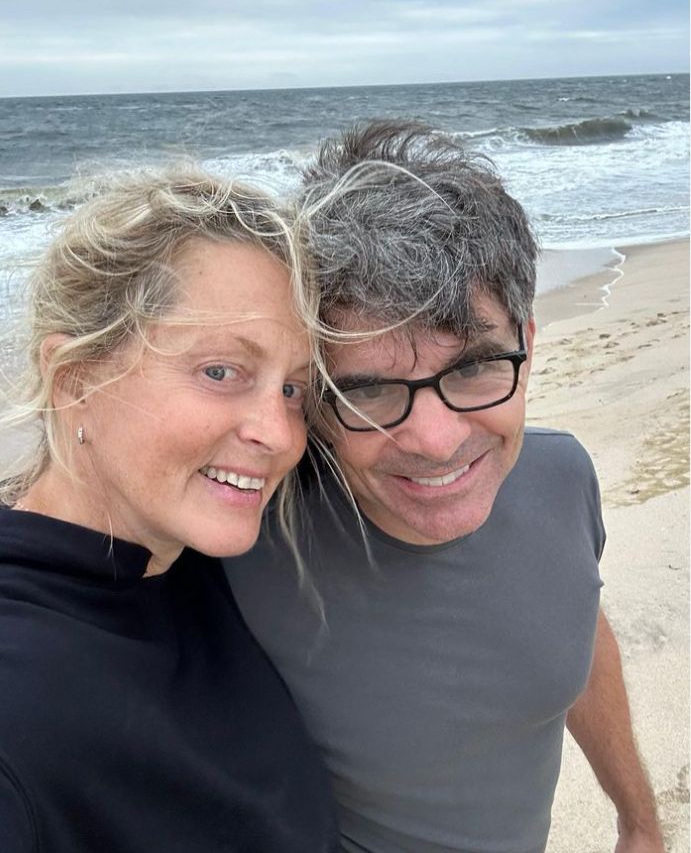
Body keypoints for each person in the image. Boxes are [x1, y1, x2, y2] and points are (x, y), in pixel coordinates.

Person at [226, 122, 664, 853]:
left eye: (472, 368)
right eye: (365, 390)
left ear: (527, 341)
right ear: (312, 395)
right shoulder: (247, 534)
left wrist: (638, 821)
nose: (433, 439)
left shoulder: (561, 477)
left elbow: (577, 627)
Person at [0, 170, 337, 851]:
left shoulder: (187, 556)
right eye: (221, 371)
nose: (277, 434)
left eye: (294, 388)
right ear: (76, 380)